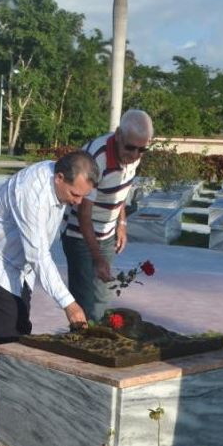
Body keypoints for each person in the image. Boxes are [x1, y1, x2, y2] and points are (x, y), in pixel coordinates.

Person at [0, 150, 97, 408]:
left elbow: (39, 251)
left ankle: (14, 399)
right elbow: (38, 255)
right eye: (75, 194)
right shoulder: (32, 190)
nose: (78, 202)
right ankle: (4, 407)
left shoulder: (61, 186)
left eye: (84, 196)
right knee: (5, 338)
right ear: (59, 177)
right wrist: (68, 303)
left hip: (19, 265)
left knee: (20, 331)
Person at [62, 109, 154, 322]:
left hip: (106, 233)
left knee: (103, 298)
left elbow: (121, 191)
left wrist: (121, 223)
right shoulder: (96, 159)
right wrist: (97, 257)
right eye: (130, 148)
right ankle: (80, 350)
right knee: (85, 300)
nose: (135, 155)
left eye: (142, 150)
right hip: (80, 235)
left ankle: (97, 347)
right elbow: (84, 213)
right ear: (118, 134)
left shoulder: (134, 154)